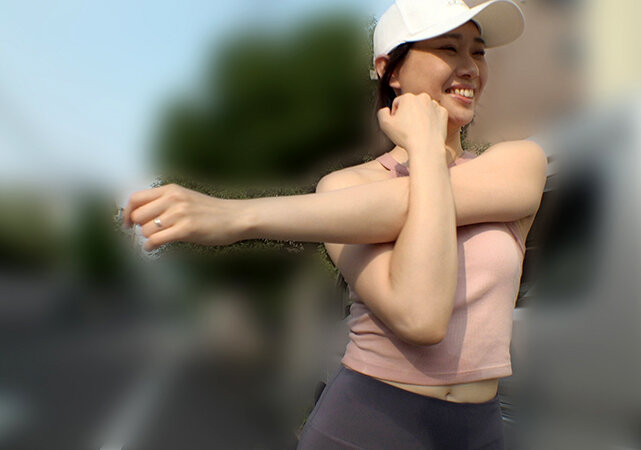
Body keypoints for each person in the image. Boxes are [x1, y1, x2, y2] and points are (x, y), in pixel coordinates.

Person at [122, 0, 547, 447]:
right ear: (390, 70)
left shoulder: (517, 163)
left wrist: (239, 215)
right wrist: (426, 152)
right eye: (448, 48)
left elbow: (398, 204)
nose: (470, 68)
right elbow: (421, 317)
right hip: (368, 423)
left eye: (478, 52)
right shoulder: (345, 185)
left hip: (479, 431)